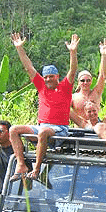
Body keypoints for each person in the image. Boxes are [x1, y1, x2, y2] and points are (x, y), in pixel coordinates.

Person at [9, 32, 80, 181]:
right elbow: (29, 68)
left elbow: (73, 71)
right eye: (46, 76)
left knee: (43, 133)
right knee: (13, 129)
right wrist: (19, 48)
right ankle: (21, 165)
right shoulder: (41, 86)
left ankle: (36, 169)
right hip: (41, 126)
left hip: (59, 129)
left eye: (51, 76)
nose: (48, 79)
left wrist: (73, 52)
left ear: (57, 77)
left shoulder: (65, 87)